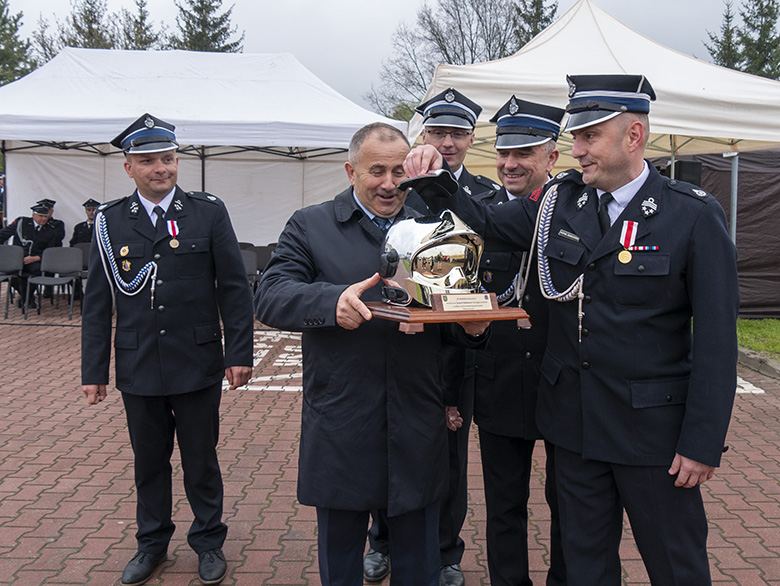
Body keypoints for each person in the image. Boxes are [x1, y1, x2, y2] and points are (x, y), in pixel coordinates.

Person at [404, 74, 739, 586]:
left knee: (677, 566)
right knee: (585, 568)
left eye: (589, 137)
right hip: (574, 429)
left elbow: (718, 341)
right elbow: (488, 223)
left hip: (653, 437)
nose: (576, 149)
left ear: (633, 136)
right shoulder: (562, 202)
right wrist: (439, 178)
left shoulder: (690, 214)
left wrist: (702, 442)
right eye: (575, 137)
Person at [254, 122, 488, 586]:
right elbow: (270, 295)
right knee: (340, 552)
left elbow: (454, 310)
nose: (388, 183)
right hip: (343, 413)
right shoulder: (312, 224)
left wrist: (473, 329)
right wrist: (329, 302)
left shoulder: (434, 224)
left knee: (419, 554)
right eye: (375, 171)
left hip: (415, 414)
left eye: (398, 171)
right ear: (350, 171)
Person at [81, 113, 254, 586]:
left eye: (168, 158)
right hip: (138, 364)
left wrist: (240, 353)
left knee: (201, 459)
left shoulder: (207, 212)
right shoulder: (110, 221)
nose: (161, 168)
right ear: (128, 167)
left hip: (198, 361)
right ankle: (151, 544)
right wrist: (93, 370)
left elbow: (234, 289)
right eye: (149, 161)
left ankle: (208, 541)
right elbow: (97, 304)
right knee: (148, 462)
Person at [365, 87, 499, 586]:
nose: (446, 142)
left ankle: (445, 551)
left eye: (457, 133)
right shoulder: (397, 189)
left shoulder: (483, 196)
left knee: (451, 458)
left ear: (469, 139)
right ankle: (380, 542)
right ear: (423, 135)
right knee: (386, 445)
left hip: (458, 346)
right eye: (437, 132)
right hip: (399, 343)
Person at [469, 96, 567, 586]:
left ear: (551, 158)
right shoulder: (479, 214)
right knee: (504, 506)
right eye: (504, 153)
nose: (510, 164)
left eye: (524, 152)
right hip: (499, 381)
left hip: (561, 385)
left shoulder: (573, 211)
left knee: (567, 503)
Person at [0, 203, 64, 308]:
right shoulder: (21, 223)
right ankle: (27, 297)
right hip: (18, 260)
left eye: (46, 216)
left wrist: (35, 258)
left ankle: (26, 298)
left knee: (36, 272)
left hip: (35, 260)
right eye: (40, 216)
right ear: (33, 215)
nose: (43, 219)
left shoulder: (51, 230)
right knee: (9, 273)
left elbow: (52, 250)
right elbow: (3, 235)